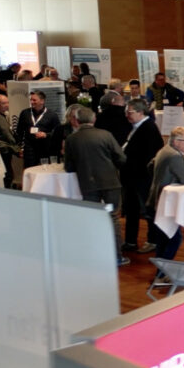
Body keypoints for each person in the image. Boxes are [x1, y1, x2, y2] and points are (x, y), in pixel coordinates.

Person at [64, 106, 127, 266]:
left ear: (77, 120)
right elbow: (121, 158)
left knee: (91, 218)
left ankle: (94, 255)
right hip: (110, 181)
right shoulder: (105, 135)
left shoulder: (71, 139)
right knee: (113, 217)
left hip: (87, 183)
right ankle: (117, 256)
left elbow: (68, 167)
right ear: (94, 119)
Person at [119, 99, 164, 255]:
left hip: (143, 178)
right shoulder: (135, 127)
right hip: (132, 177)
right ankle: (130, 241)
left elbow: (151, 156)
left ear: (140, 112)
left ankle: (153, 240)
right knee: (131, 209)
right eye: (126, 111)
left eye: (129, 112)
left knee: (148, 210)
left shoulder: (149, 128)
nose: (127, 115)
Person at [147, 127, 184, 260]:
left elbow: (149, 167)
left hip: (156, 199)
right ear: (176, 142)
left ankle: (160, 270)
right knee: (173, 239)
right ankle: (163, 270)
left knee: (163, 239)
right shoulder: (175, 156)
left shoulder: (163, 150)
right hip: (165, 202)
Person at [16, 90, 62, 168]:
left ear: (42, 101)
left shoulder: (52, 115)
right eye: (31, 100)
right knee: (29, 169)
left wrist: (46, 135)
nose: (32, 102)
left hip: (45, 148)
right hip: (29, 148)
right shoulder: (25, 113)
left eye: (34, 100)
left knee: (44, 170)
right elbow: (19, 131)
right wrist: (18, 147)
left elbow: (58, 132)